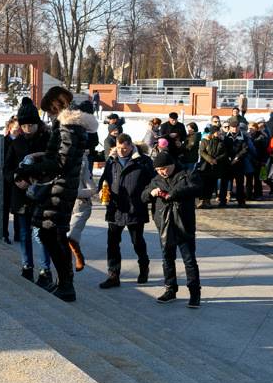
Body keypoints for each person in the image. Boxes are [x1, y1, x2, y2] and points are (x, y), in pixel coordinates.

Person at [15, 86, 97, 302]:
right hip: (59, 187)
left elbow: (61, 162)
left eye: (50, 111)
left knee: (51, 234)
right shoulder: (68, 126)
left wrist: (32, 168)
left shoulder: (67, 128)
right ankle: (64, 282)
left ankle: (66, 284)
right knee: (50, 234)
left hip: (58, 189)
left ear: (57, 107)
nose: (49, 116)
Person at [141, 151, 202, 308]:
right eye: (159, 169)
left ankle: (194, 293)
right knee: (167, 258)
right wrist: (151, 193)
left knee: (189, 259)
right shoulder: (156, 180)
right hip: (164, 225)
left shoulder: (185, 174)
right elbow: (143, 196)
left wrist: (173, 194)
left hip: (184, 223)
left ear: (172, 164)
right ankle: (170, 289)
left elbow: (197, 188)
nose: (163, 171)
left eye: (165, 168)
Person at [3, 98, 51, 284]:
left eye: (31, 125)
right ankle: (27, 266)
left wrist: (36, 178)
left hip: (41, 194)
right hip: (21, 194)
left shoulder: (47, 141)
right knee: (23, 234)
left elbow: (52, 165)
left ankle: (45, 269)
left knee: (40, 234)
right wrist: (16, 179)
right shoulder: (16, 143)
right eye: (24, 126)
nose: (28, 129)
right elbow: (6, 169)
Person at [98, 133, 154, 289]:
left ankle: (144, 267)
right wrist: (101, 190)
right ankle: (113, 275)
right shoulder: (111, 161)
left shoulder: (143, 161)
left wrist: (145, 196)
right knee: (113, 244)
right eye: (118, 148)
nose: (121, 151)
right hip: (115, 208)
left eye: (124, 148)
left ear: (130, 146)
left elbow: (154, 181)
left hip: (135, 208)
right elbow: (104, 179)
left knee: (137, 242)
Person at [68, 100, 99, 272]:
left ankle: (78, 256)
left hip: (80, 204)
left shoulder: (83, 161)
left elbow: (92, 188)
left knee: (70, 236)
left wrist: (76, 192)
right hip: (64, 203)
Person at [197, 125, 228, 208]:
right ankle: (202, 200)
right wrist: (210, 160)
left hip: (216, 166)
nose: (219, 133)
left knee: (211, 184)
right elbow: (202, 152)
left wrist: (216, 160)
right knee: (204, 184)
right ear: (213, 132)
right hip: (205, 166)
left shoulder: (221, 141)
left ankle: (208, 200)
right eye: (218, 131)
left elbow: (224, 153)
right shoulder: (205, 140)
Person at [2, 116, 20, 244]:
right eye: (15, 129)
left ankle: (18, 233)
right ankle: (4, 233)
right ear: (9, 129)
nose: (18, 132)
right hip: (7, 179)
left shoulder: (23, 142)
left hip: (19, 178)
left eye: (19, 130)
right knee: (5, 207)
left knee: (19, 208)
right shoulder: (3, 142)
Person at [246, 122, 268, 200]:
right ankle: (248, 195)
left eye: (253, 127)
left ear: (256, 128)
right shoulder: (246, 136)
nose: (251, 129)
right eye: (249, 127)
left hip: (259, 160)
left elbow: (265, 150)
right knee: (249, 179)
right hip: (249, 160)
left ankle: (258, 195)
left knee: (258, 179)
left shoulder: (261, 137)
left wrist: (263, 161)